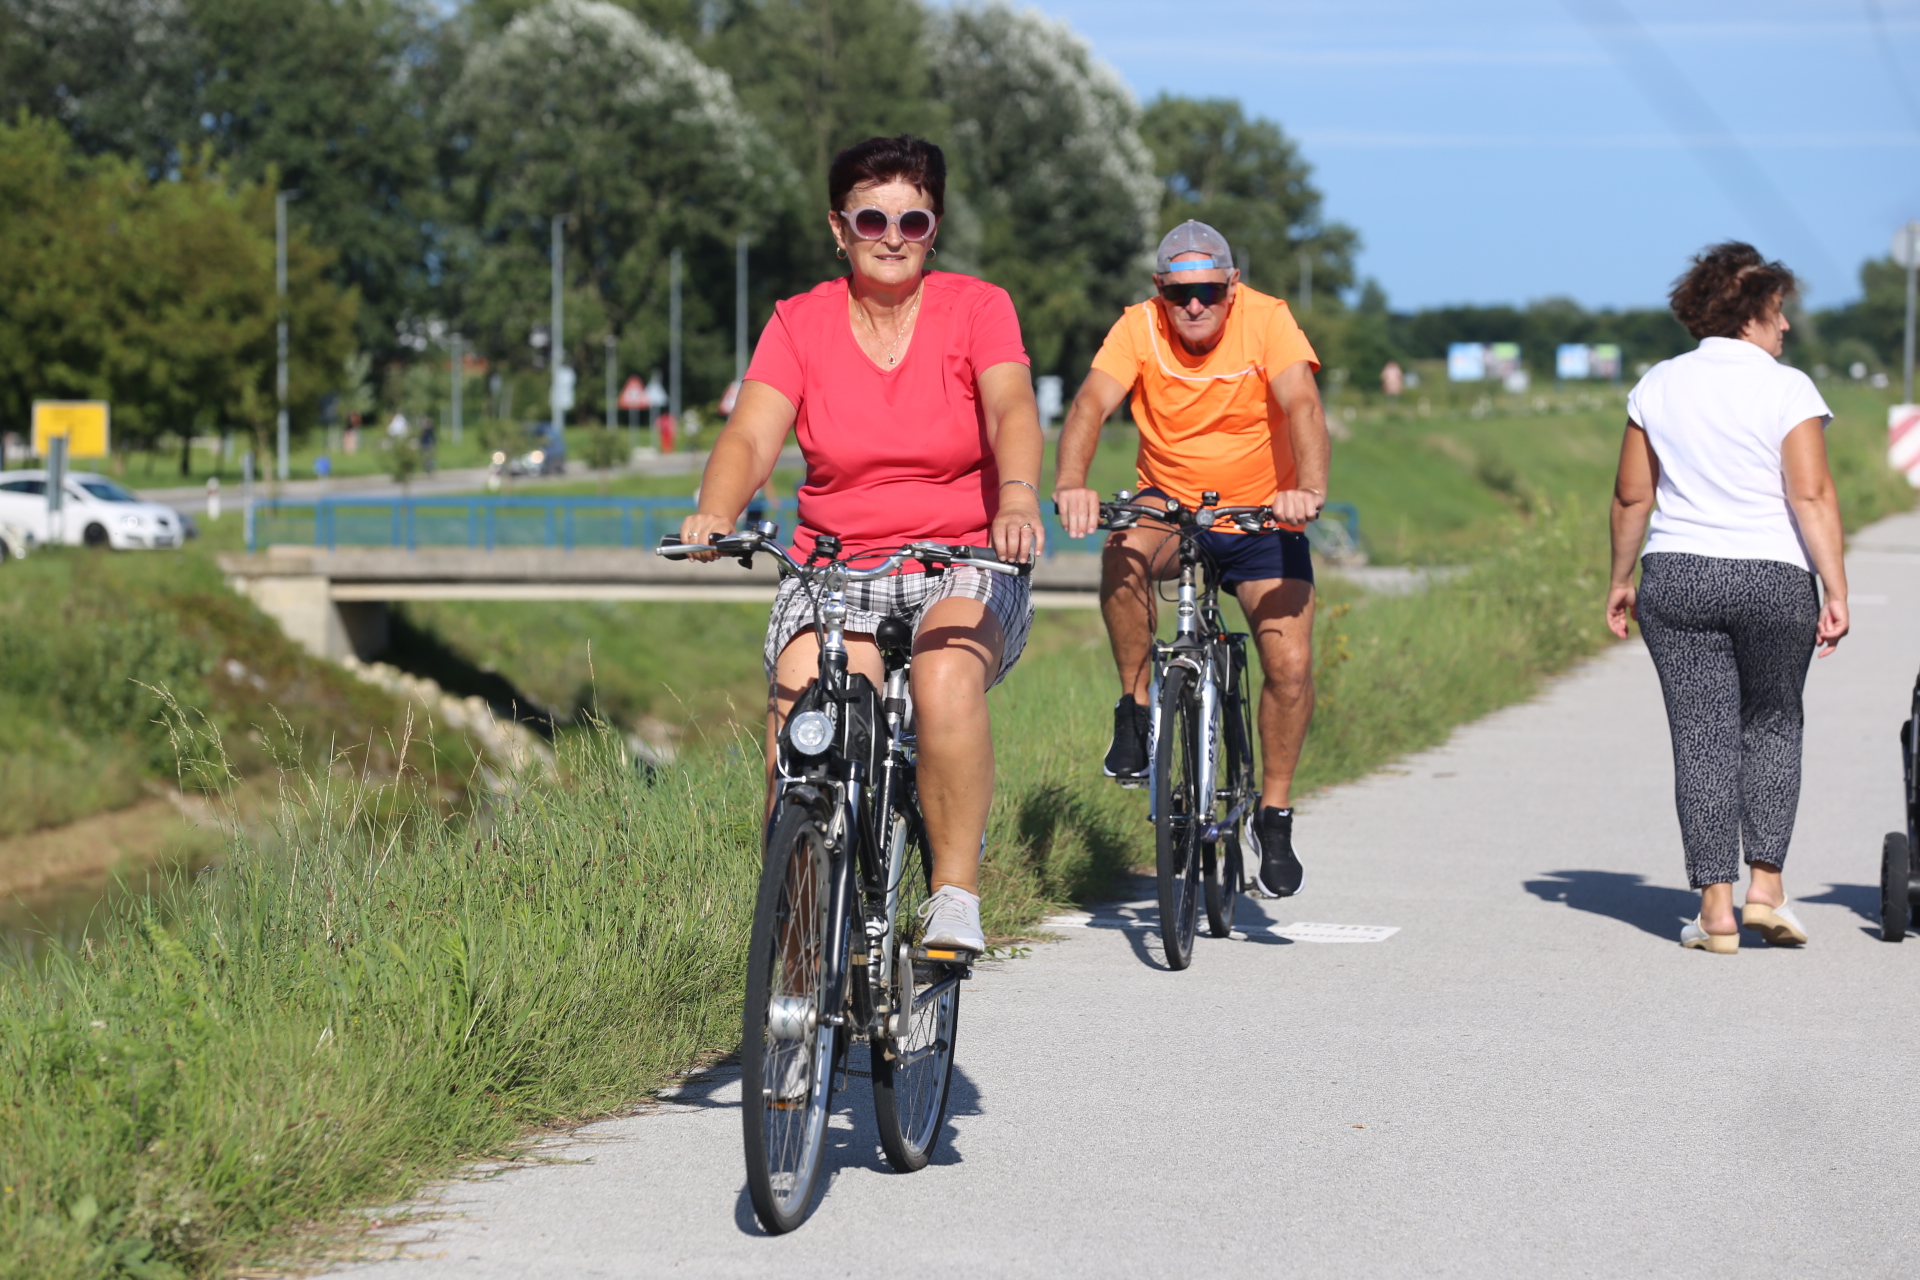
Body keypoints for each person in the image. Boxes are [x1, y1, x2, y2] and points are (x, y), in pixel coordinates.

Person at [679, 134, 1043, 954]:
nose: (891, 236)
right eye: (871, 218)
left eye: (912, 220)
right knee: (804, 727)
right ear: (838, 228)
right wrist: (714, 509)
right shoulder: (799, 323)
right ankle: (802, 963)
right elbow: (748, 435)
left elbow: (1012, 408)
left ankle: (952, 893)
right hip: (835, 568)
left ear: (934, 228)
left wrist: (1016, 497)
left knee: (946, 677)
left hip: (964, 561)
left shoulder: (979, 309)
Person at [1055, 219, 1330, 899]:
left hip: (1264, 512)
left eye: (1209, 290)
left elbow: (1301, 402)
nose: (1196, 306)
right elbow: (1090, 403)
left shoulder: (1269, 321)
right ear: (1160, 291)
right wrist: (1071, 483)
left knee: (1289, 666)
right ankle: (1136, 704)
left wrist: (1309, 489)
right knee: (1121, 553)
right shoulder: (1138, 327)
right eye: (1181, 294)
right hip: (1171, 506)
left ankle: (1274, 813)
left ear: (1232, 287)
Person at [1606, 241, 1848, 954]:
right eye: (1779, 310)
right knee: (1773, 722)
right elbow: (1809, 493)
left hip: (1679, 577)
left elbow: (1631, 495)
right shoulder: (1788, 388)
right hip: (1773, 577)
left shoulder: (1658, 384)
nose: (1786, 327)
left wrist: (1621, 579)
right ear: (1749, 312)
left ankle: (1715, 911)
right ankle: (1766, 890)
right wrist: (1834, 586)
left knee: (1700, 735)